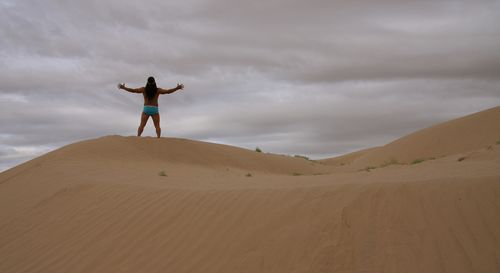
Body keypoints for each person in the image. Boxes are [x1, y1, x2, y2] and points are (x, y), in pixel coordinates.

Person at [118, 76, 184, 138]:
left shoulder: (143, 89)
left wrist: (123, 88)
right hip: (154, 109)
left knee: (142, 125)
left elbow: (133, 90)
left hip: (146, 109)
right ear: (155, 82)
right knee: (157, 126)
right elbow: (168, 91)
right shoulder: (158, 90)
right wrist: (177, 88)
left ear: (147, 82)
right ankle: (158, 138)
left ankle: (138, 137)